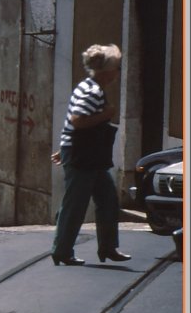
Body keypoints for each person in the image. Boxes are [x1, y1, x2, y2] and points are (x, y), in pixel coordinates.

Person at [50, 43, 131, 266]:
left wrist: (64, 149)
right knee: (76, 203)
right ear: (106, 70)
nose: (117, 73)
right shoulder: (92, 91)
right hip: (83, 155)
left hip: (87, 153)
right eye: (116, 68)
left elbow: (74, 126)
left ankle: (108, 247)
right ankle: (62, 250)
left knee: (107, 199)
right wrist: (106, 114)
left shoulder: (88, 87)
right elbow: (77, 121)